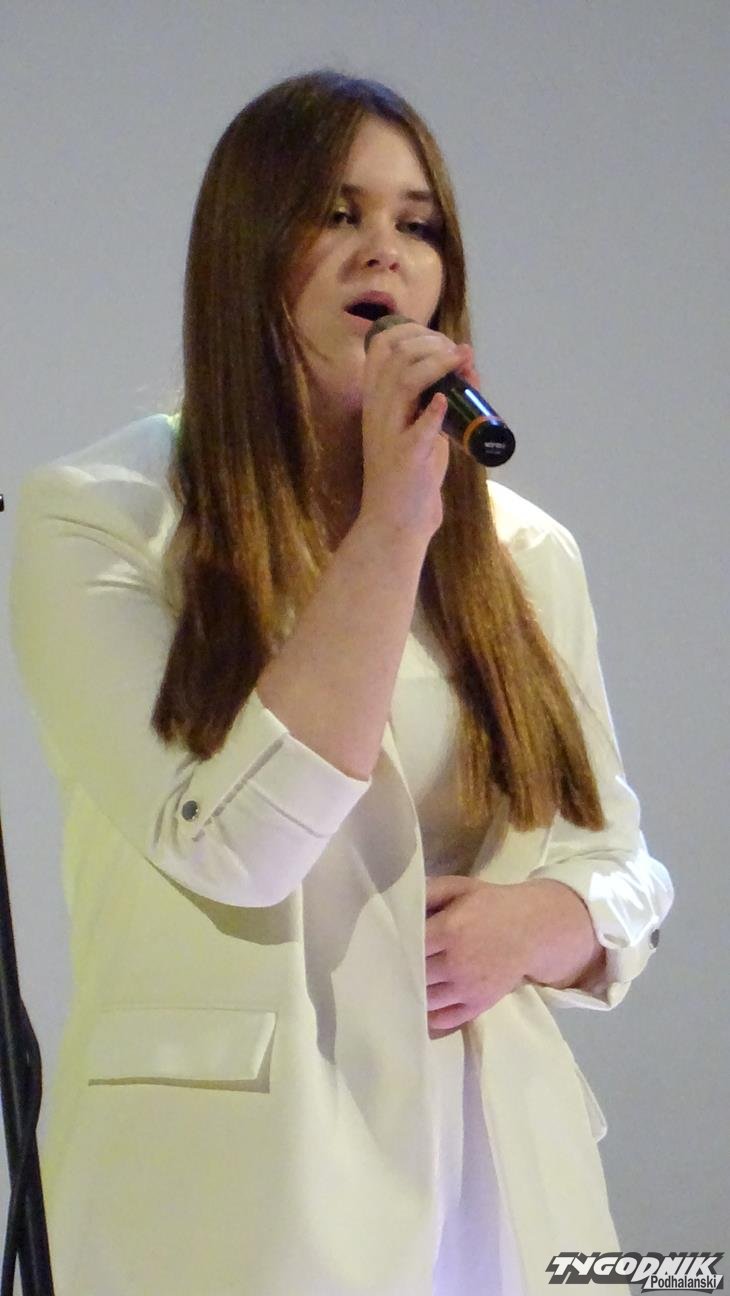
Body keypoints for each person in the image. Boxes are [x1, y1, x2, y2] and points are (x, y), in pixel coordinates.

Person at [9, 68, 674, 1296]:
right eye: (336, 213)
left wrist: (551, 923)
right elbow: (233, 847)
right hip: (239, 1197)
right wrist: (391, 525)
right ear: (246, 249)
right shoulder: (100, 520)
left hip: (497, 1169)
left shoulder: (525, 553)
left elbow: (620, 857)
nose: (385, 252)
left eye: (417, 225)